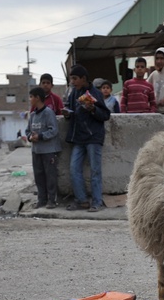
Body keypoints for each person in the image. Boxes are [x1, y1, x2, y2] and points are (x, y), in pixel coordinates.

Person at [61, 64, 110, 212]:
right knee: (74, 169)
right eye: (71, 79)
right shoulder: (73, 94)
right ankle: (81, 200)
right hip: (78, 137)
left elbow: (105, 115)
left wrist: (93, 109)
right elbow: (71, 110)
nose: (73, 82)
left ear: (83, 79)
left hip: (93, 137)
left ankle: (97, 202)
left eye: (75, 79)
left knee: (95, 171)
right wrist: (68, 114)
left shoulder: (95, 93)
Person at [26, 86, 61, 209]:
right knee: (39, 176)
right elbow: (27, 131)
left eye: (31, 97)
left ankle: (52, 200)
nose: (30, 99)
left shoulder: (48, 113)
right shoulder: (33, 115)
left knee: (50, 176)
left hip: (49, 151)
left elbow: (53, 130)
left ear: (37, 98)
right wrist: (30, 137)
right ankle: (42, 199)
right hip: (36, 151)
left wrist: (40, 136)